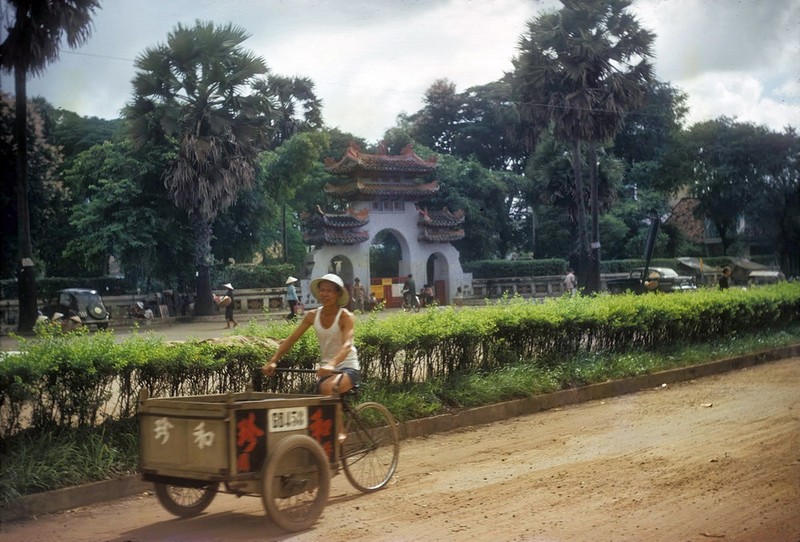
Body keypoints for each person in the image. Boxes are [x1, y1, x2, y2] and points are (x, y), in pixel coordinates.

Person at [262, 273, 360, 397]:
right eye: (322, 290)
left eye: (329, 291)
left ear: (338, 294)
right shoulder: (312, 315)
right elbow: (292, 339)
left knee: (327, 388)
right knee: (315, 402)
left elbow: (347, 345)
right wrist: (273, 361)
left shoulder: (345, 317)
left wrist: (332, 364)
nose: (325, 294)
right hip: (326, 369)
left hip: (347, 367)